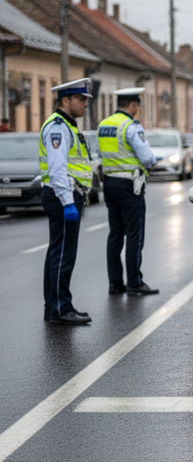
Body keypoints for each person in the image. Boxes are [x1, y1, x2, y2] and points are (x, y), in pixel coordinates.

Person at [38, 78, 94, 325]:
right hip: (63, 197)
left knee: (58, 253)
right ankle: (60, 308)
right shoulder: (59, 127)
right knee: (62, 254)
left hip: (68, 195)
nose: (85, 104)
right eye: (81, 99)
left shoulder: (68, 126)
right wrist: (67, 201)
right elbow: (58, 169)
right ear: (65, 100)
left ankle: (56, 306)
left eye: (86, 100)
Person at [99, 87, 159, 296]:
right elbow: (146, 158)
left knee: (115, 235)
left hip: (109, 184)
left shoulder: (104, 125)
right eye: (137, 106)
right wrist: (153, 162)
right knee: (134, 234)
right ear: (133, 105)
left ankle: (115, 283)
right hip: (129, 186)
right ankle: (134, 282)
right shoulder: (131, 127)